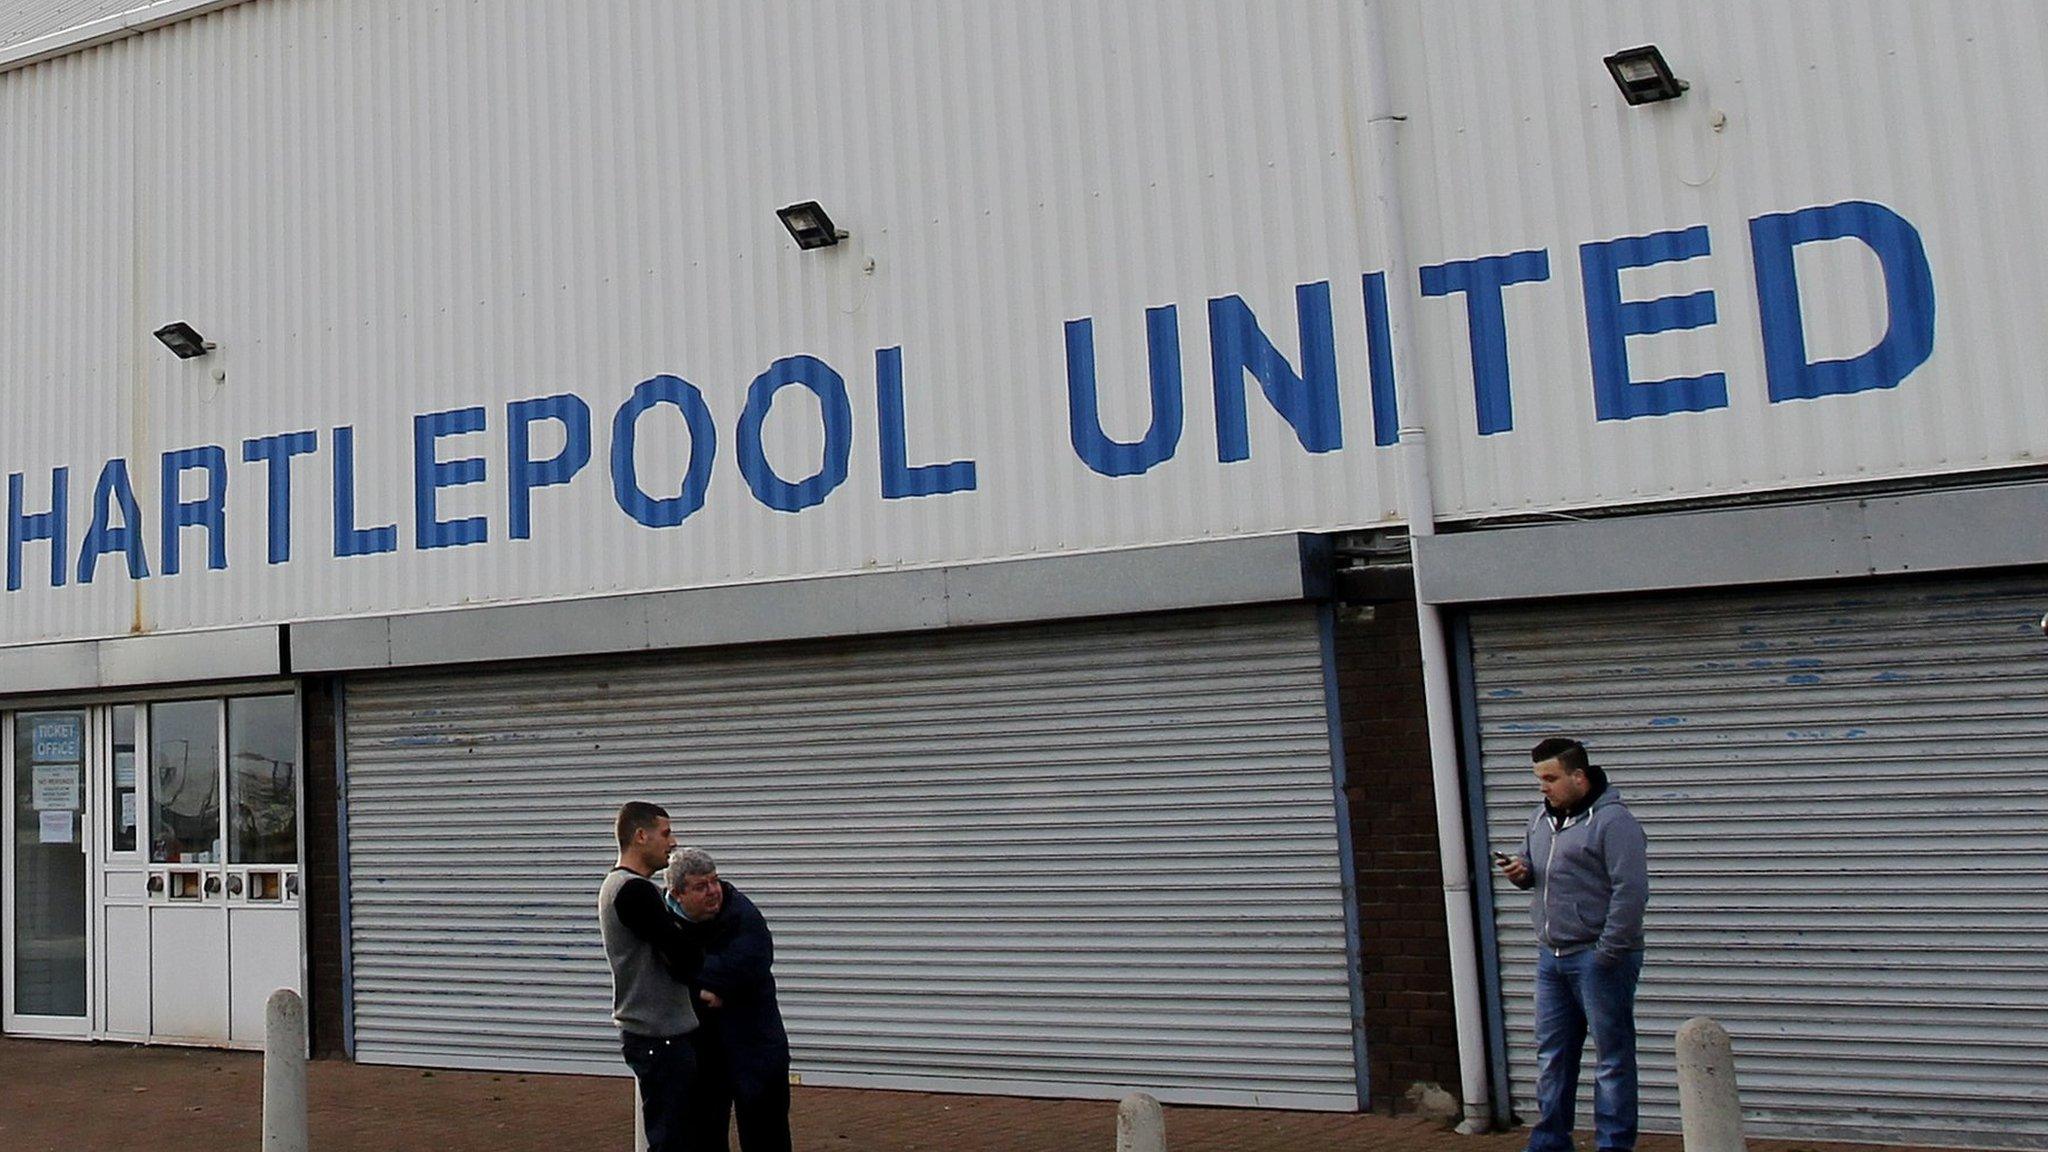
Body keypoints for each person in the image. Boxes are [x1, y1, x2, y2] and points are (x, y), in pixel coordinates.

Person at [1498, 738, 1649, 1152]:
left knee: (1612, 1059)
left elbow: (1631, 890)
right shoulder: (1540, 820)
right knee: (1553, 1056)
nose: (1543, 787)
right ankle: (1549, 1142)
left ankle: (1614, 1145)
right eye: (1538, 779)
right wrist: (1521, 872)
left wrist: (1609, 951)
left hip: (1598, 957)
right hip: (1553, 957)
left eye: (1551, 778)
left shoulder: (1613, 822)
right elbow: (1532, 868)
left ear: (1579, 777)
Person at [665, 846, 792, 1152]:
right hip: (703, 1049)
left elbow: (747, 964)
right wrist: (698, 993)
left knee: (766, 1135)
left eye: (715, 881)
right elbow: (656, 972)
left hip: (757, 1046)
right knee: (702, 1135)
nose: (713, 891)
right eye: (701, 886)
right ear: (677, 893)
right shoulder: (662, 920)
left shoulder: (741, 913)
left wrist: (690, 975)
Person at [598, 802, 709, 1152]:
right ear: (640, 836)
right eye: (665, 833)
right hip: (659, 1037)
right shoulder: (634, 891)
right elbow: (682, 955)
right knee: (672, 1138)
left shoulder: (618, 886)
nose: (673, 842)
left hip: (655, 1035)